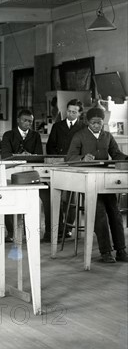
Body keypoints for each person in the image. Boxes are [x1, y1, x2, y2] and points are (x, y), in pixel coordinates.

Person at [66, 106, 128, 263]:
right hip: (88, 179)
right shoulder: (79, 136)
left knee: (115, 212)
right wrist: (82, 159)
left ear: (103, 122)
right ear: (87, 122)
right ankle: (105, 251)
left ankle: (121, 250)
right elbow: (69, 157)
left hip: (105, 179)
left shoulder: (107, 136)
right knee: (99, 212)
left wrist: (126, 158)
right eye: (93, 123)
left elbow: (116, 154)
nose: (96, 126)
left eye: (99, 123)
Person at [1, 109, 51, 242]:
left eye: (30, 121)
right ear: (18, 120)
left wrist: (30, 157)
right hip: (13, 173)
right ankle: (12, 232)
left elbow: (40, 157)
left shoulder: (35, 136)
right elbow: (5, 156)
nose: (27, 123)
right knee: (6, 197)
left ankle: (49, 232)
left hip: (31, 174)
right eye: (25, 120)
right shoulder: (8, 135)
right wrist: (19, 157)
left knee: (47, 196)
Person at [46, 99, 87, 238]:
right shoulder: (57, 126)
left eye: (74, 112)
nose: (70, 114)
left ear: (79, 113)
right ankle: (58, 227)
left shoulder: (83, 127)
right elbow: (50, 145)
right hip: (58, 164)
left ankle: (68, 227)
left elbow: (84, 147)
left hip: (75, 165)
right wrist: (56, 159)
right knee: (57, 196)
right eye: (68, 111)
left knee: (70, 198)